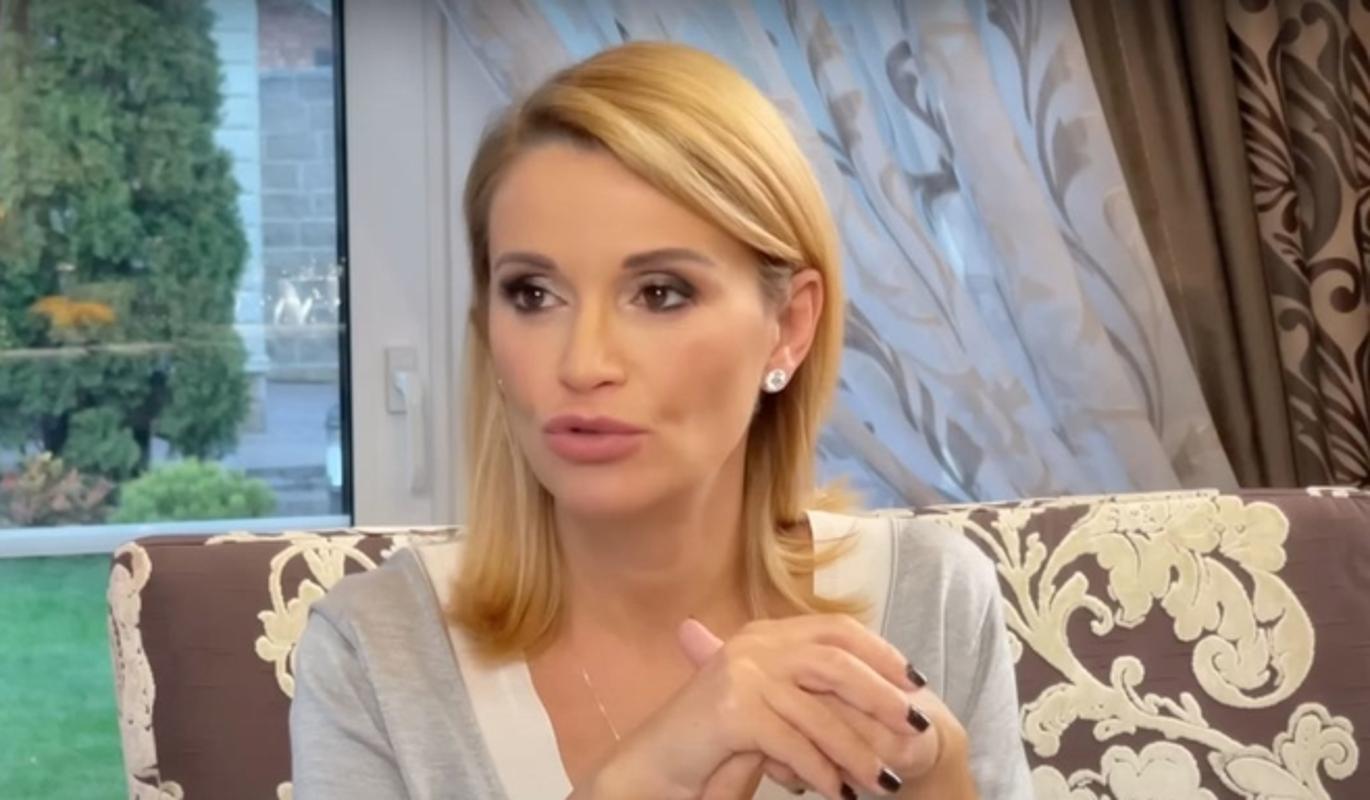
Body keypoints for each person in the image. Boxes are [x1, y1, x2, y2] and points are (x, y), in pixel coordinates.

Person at [290, 41, 1032, 800]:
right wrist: (638, 777)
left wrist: (943, 785)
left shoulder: (934, 597)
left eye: (660, 293)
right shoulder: (375, 654)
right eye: (534, 294)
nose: (583, 363)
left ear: (789, 326)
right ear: (487, 323)